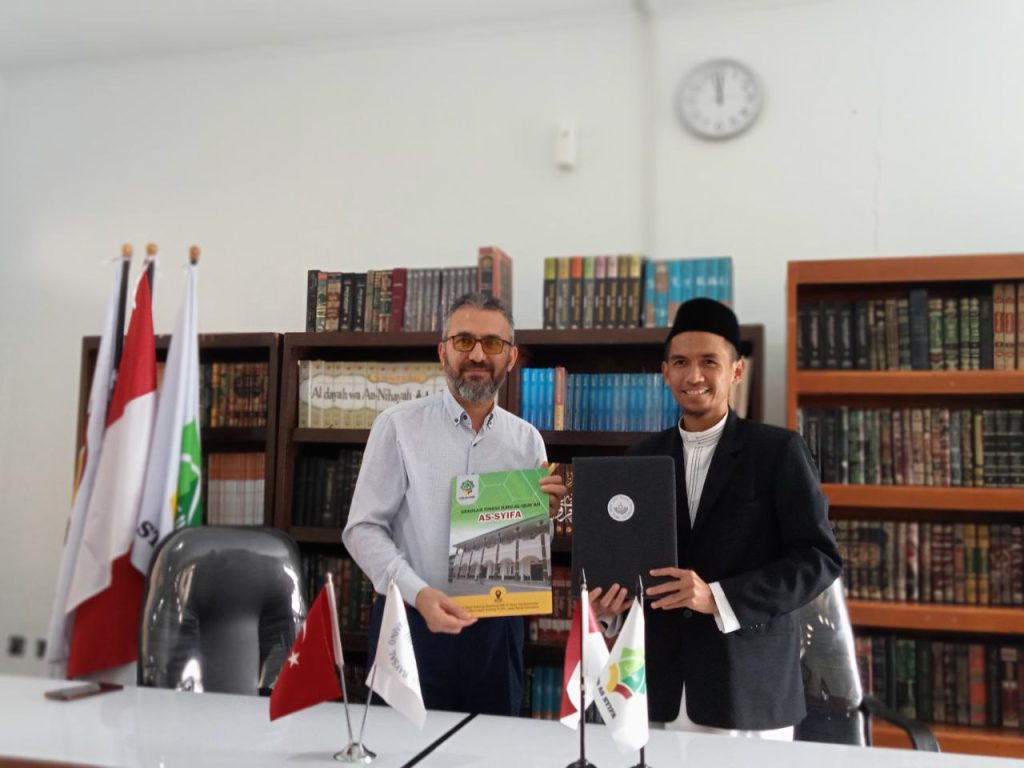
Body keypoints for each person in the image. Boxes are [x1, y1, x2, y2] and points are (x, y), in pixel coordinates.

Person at [592, 297, 842, 739]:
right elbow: (631, 565)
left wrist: (717, 597)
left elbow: (818, 559)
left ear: (736, 370)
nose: (694, 376)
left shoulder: (778, 451)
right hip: (653, 688)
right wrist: (608, 609)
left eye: (709, 361)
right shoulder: (639, 459)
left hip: (748, 689)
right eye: (681, 362)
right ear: (665, 371)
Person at [342, 292, 565, 716]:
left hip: (497, 632)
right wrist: (419, 593)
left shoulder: (527, 441)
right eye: (464, 341)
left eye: (492, 343)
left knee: (491, 746)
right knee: (400, 747)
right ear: (442, 351)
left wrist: (545, 521)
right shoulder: (398, 426)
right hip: (411, 621)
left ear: (511, 357)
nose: (477, 355)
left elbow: (530, 547)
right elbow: (362, 530)